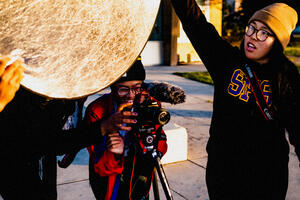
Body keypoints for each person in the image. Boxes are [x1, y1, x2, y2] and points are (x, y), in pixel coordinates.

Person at [170, 1, 299, 200]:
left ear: (278, 42)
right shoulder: (226, 60)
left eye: (264, 32)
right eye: (252, 27)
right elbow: (194, 21)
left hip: (267, 175)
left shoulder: (287, 77)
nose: (253, 36)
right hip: (224, 170)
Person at [0, 84, 106, 199]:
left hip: (43, 164)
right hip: (18, 169)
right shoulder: (23, 97)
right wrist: (102, 128)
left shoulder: (63, 95)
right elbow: (50, 141)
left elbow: (66, 128)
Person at [84, 57, 168, 200]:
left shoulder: (150, 104)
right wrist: (113, 152)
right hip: (110, 183)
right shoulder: (97, 110)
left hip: (140, 176)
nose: (131, 95)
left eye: (137, 87)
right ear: (112, 86)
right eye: (123, 89)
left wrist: (149, 143)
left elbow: (161, 141)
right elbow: (98, 163)